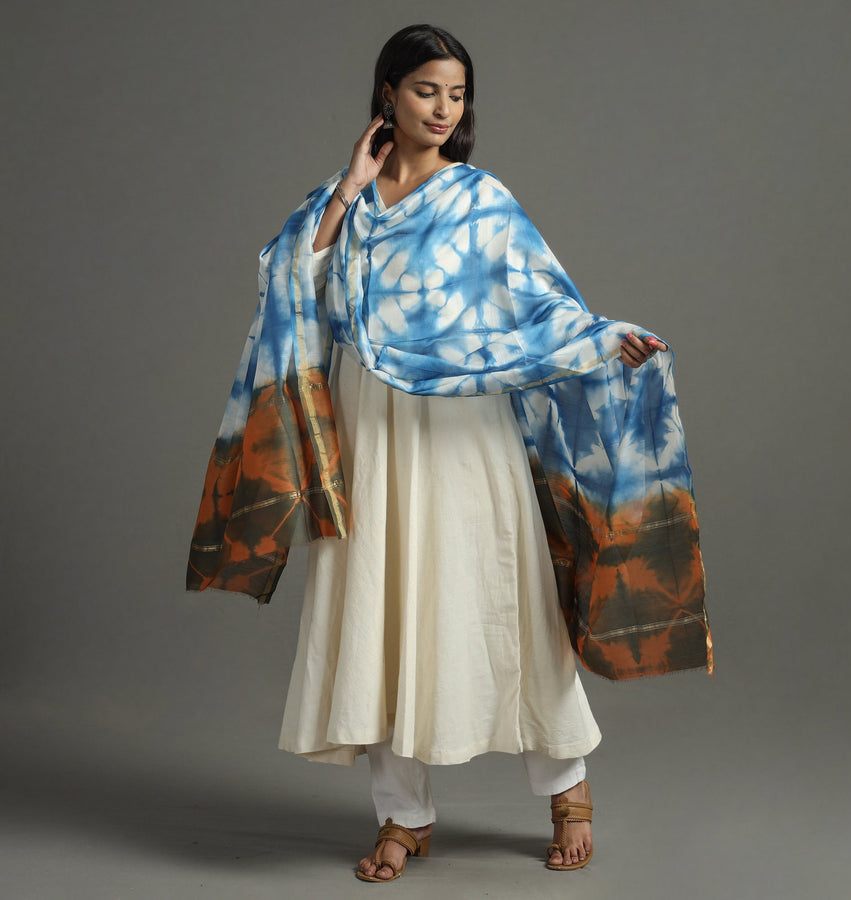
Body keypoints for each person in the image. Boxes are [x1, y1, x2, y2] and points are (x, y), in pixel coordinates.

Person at [187, 23, 711, 884]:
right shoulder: (347, 202)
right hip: (372, 427)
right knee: (379, 605)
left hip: (463, 430)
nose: (443, 109)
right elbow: (289, 285)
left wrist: (600, 338)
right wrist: (349, 190)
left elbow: (541, 303)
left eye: (457, 94)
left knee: (506, 599)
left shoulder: (479, 200)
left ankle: (567, 785)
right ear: (388, 93)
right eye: (426, 90)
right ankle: (403, 814)